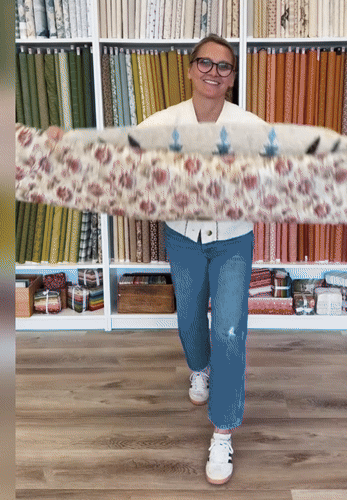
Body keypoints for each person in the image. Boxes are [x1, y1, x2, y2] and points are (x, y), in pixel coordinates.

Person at [136, 34, 266, 485]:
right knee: (190, 319)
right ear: (191, 69)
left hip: (233, 240)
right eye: (205, 63)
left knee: (228, 331)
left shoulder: (250, 126)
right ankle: (199, 369)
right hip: (183, 237)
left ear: (231, 78)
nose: (213, 72)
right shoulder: (162, 122)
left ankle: (223, 431)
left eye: (223, 66)